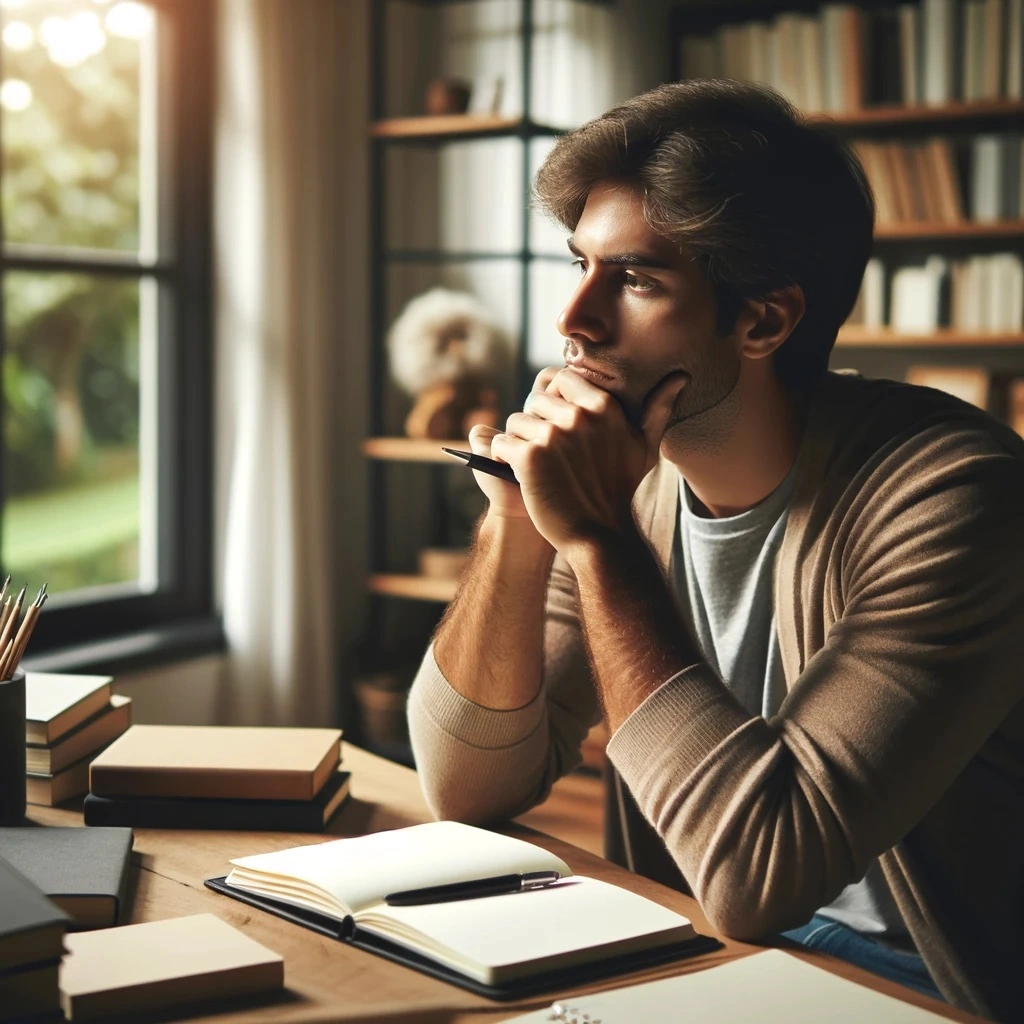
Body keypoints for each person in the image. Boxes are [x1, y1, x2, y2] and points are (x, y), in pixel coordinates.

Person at [406, 79, 1024, 1021]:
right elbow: (465, 783)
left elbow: (756, 874)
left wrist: (601, 540)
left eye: (637, 280)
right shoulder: (635, 480)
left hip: (926, 982)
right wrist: (519, 520)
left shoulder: (953, 496)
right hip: (715, 953)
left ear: (766, 320)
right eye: (580, 264)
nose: (575, 320)